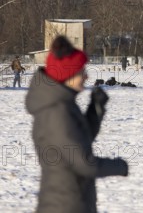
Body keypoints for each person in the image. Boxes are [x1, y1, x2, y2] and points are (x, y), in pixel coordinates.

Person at [26, 36, 128, 213]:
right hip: (64, 205)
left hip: (72, 200)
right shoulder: (57, 112)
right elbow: (84, 163)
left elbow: (79, 140)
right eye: (82, 71)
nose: (86, 76)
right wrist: (120, 166)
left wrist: (95, 109)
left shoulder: (62, 104)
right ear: (68, 74)